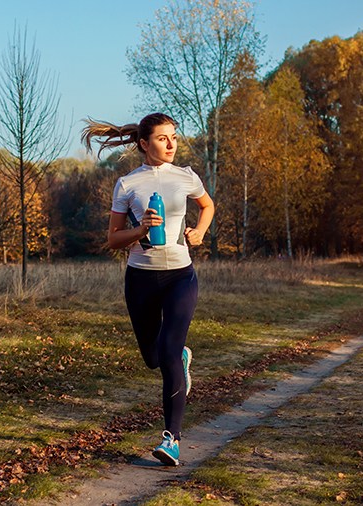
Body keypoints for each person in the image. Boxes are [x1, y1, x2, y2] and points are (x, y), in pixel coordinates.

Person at [82, 112, 214, 466]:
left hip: (180, 277)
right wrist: (140, 232)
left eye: (174, 137)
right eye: (162, 138)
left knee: (168, 352)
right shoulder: (127, 184)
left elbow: (207, 205)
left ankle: (171, 439)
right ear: (144, 143)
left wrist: (199, 232)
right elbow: (112, 239)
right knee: (153, 358)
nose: (171, 144)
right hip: (140, 278)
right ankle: (181, 357)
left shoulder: (186, 177)